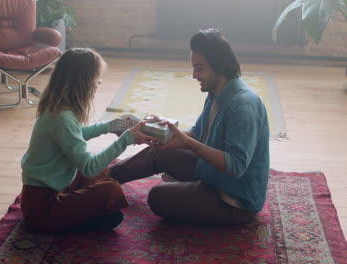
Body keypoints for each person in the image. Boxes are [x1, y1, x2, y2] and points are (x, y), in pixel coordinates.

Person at [108, 28, 270, 225]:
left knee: (158, 197)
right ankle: (103, 179)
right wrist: (162, 131)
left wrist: (186, 143)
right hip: (212, 173)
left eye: (199, 68)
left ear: (219, 66)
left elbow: (235, 166)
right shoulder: (216, 92)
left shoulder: (243, 105)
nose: (194, 75)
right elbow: (197, 134)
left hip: (233, 199)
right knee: (158, 152)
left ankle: (194, 192)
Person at [20, 48, 157, 233]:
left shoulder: (57, 111)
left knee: (100, 176)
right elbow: (89, 166)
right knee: (109, 189)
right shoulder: (62, 119)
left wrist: (112, 126)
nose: (99, 82)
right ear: (82, 82)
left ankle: (76, 214)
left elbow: (76, 134)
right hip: (43, 208)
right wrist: (127, 139)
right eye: (96, 77)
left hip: (39, 197)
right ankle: (61, 223)